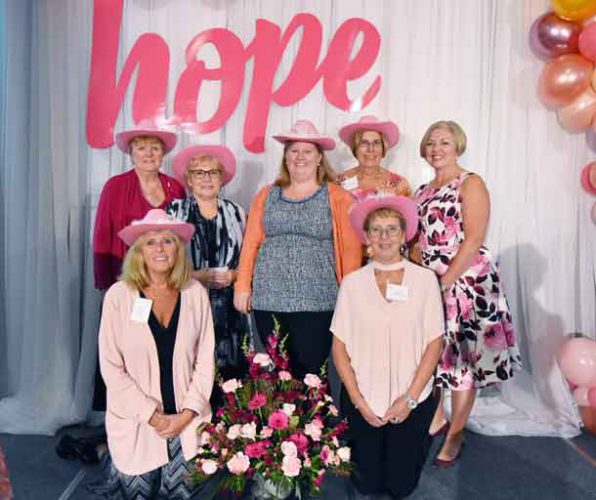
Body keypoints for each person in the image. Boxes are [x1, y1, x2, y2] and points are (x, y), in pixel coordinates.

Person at [414, 120, 522, 467]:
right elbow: (416, 240)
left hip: (467, 283)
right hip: (430, 281)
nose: (436, 149)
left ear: (458, 145)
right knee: (435, 356)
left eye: (444, 142)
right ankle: (438, 417)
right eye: (431, 143)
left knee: (462, 363)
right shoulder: (422, 190)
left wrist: (445, 281)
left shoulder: (470, 183)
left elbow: (474, 238)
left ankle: (456, 432)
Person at [92, 209, 215, 499]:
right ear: (138, 251)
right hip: (137, 421)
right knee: (137, 494)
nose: (160, 248)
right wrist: (151, 415)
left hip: (186, 422)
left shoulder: (195, 293)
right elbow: (111, 367)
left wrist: (187, 414)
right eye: (150, 242)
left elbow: (206, 360)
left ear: (178, 249)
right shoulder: (119, 296)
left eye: (168, 241)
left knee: (181, 494)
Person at [331, 193, 444, 499]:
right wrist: (359, 401)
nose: (384, 236)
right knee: (364, 484)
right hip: (364, 398)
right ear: (366, 236)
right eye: (376, 229)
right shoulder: (352, 283)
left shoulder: (424, 280)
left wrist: (408, 400)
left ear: (404, 234)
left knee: (401, 486)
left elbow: (435, 342)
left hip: (411, 398)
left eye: (392, 228)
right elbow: (339, 346)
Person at [234, 119, 362, 379]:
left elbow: (351, 253)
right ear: (285, 157)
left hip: (318, 300)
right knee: (272, 373)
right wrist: (242, 286)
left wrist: (350, 298)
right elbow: (251, 244)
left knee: (312, 375)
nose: (299, 157)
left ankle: (314, 421)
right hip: (269, 298)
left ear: (319, 158)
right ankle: (275, 421)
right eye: (293, 151)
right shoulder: (266, 194)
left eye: (307, 151)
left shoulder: (339, 197)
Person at [91, 124, 185, 413]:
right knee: (126, 348)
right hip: (128, 281)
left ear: (163, 153)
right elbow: (102, 233)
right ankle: (123, 415)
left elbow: (181, 238)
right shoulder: (115, 186)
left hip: (164, 284)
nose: (148, 153)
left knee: (160, 347)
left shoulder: (176, 187)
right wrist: (107, 283)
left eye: (154, 147)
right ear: (130, 153)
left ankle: (161, 410)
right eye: (141, 147)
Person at [167, 145, 250, 398]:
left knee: (231, 375)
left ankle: (228, 433)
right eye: (199, 173)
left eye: (212, 172)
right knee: (191, 369)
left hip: (230, 310)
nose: (206, 178)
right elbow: (163, 263)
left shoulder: (237, 212)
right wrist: (196, 276)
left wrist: (236, 276)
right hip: (188, 301)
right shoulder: (175, 212)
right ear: (189, 180)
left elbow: (249, 259)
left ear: (221, 178)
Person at [336, 115, 412, 200]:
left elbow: (408, 212)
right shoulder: (340, 181)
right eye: (364, 143)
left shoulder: (399, 183)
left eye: (376, 143)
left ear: (383, 148)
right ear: (355, 148)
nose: (370, 149)